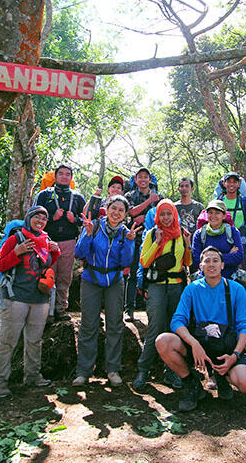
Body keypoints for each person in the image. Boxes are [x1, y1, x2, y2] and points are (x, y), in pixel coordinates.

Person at [155, 247, 246, 411]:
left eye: (215, 260)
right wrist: (194, 344)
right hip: (200, 345)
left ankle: (222, 377)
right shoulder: (192, 289)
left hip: (226, 349)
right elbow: (177, 321)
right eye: (207, 261)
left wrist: (235, 355)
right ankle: (192, 384)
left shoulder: (236, 289)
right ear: (200, 266)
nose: (211, 265)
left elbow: (245, 326)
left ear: (223, 265)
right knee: (163, 341)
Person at [0, 206, 61, 398]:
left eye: (44, 219)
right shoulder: (16, 238)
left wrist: (55, 252)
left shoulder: (45, 240)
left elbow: (45, 265)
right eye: (36, 217)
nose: (40, 221)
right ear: (28, 218)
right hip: (15, 297)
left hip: (39, 298)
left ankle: (32, 377)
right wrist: (17, 252)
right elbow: (1, 265)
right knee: (7, 341)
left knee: (34, 341)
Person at [72, 195, 141, 387]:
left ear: (125, 214)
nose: (116, 213)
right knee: (88, 325)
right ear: (106, 208)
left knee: (114, 324)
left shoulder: (126, 233)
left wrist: (129, 242)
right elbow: (79, 253)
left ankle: (113, 369)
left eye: (121, 210)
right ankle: (84, 371)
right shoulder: (93, 226)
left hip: (114, 281)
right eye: (114, 208)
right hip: (91, 279)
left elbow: (126, 262)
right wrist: (86, 235)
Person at [133, 200, 193, 390]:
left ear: (174, 215)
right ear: (157, 216)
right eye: (162, 215)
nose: (166, 218)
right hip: (157, 287)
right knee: (156, 327)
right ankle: (143, 370)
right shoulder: (152, 234)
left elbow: (187, 262)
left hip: (176, 287)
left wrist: (189, 245)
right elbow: (144, 262)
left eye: (169, 214)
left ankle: (173, 371)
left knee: (175, 329)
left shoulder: (181, 234)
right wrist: (157, 242)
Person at [32, 163, 86, 321]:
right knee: (47, 274)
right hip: (47, 241)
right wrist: (51, 217)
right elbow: (33, 218)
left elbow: (86, 220)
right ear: (55, 176)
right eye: (61, 173)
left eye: (67, 174)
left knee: (64, 276)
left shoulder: (77, 197)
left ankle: (61, 309)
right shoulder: (44, 195)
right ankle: (45, 310)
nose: (64, 176)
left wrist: (74, 219)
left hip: (68, 241)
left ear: (71, 177)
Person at [124, 167, 162, 321]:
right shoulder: (130, 195)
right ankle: (129, 309)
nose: (143, 180)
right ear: (136, 180)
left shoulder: (159, 196)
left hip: (155, 240)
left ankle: (152, 309)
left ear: (150, 179)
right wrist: (149, 202)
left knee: (153, 273)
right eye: (140, 177)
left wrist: (144, 216)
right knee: (133, 274)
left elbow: (162, 215)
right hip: (136, 239)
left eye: (146, 177)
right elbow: (131, 212)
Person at [191, 199, 245, 281]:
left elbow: (239, 257)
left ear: (224, 216)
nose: (213, 216)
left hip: (230, 280)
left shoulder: (232, 231)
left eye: (217, 213)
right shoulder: (199, 234)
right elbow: (196, 260)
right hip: (206, 282)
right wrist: (227, 255)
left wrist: (208, 260)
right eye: (210, 213)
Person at [216, 172, 246, 277]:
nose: (231, 184)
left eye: (234, 182)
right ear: (224, 184)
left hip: (240, 241)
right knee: (223, 273)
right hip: (222, 241)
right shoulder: (219, 202)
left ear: (239, 184)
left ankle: (245, 293)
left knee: (243, 274)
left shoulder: (244, 201)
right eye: (229, 181)